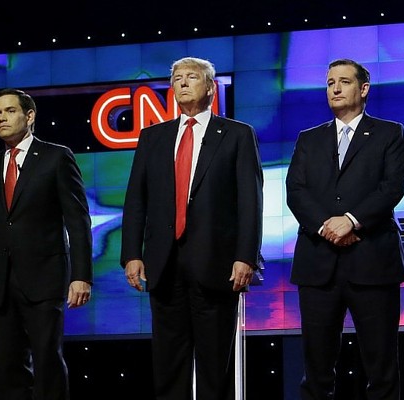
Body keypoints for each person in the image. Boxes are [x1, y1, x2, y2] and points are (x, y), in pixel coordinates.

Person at [120, 57, 264, 400]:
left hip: (217, 266)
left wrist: (245, 256)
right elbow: (136, 200)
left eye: (192, 77)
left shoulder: (236, 134)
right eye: (177, 78)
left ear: (211, 88)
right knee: (169, 366)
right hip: (164, 264)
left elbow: (250, 202)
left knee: (216, 368)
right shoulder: (152, 137)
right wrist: (131, 255)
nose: (182, 83)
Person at [0, 88, 93, 400]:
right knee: (5, 369)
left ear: (29, 116)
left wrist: (81, 275)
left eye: (9, 111)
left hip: (44, 278)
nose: (1, 118)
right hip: (0, 283)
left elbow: (77, 220)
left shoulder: (56, 157)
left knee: (47, 363)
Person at [286, 58, 404, 400]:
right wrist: (328, 226)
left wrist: (352, 220)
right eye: (329, 83)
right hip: (318, 262)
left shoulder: (390, 132)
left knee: (382, 365)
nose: (335, 88)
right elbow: (295, 190)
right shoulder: (309, 139)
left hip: (372, 260)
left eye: (343, 81)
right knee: (316, 368)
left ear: (364, 89)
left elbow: (392, 186)